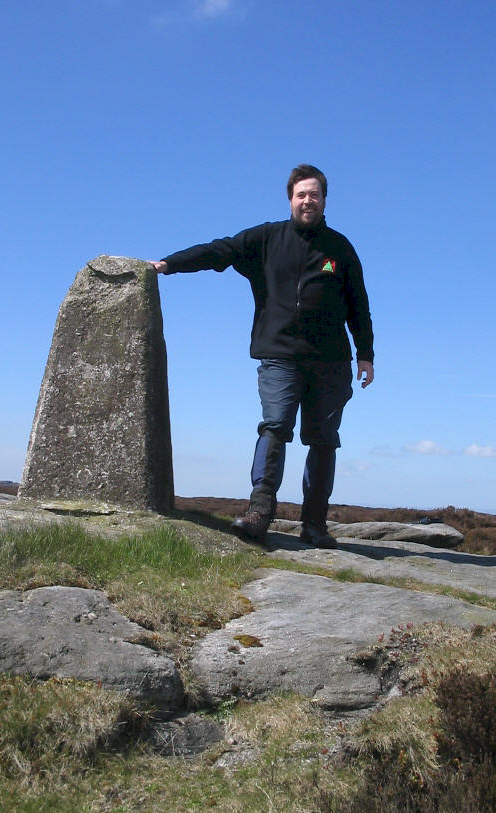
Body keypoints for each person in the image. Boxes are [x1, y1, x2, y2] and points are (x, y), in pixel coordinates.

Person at [150, 164, 374, 547]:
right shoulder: (267, 239)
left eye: (314, 194)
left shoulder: (340, 248)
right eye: (301, 194)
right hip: (279, 355)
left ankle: (315, 524)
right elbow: (219, 251)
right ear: (291, 199)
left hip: (331, 361)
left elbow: (359, 305)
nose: (308, 200)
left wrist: (365, 354)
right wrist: (169, 265)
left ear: (324, 200)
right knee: (275, 426)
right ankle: (259, 513)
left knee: (323, 439)